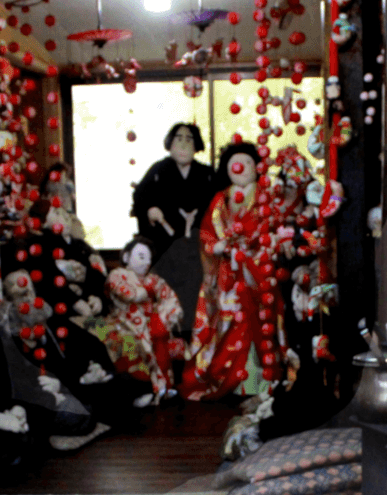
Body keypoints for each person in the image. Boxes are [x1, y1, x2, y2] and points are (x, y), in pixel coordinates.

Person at [180, 142, 294, 402]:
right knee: (229, 321)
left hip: (259, 267)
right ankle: (229, 380)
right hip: (229, 272)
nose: (240, 169)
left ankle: (262, 381)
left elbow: (276, 225)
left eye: (246, 163)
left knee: (262, 319)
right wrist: (217, 245)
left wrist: (267, 245)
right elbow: (207, 232)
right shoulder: (221, 200)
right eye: (234, 164)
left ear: (256, 168)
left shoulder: (265, 195)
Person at [92, 237, 183, 403]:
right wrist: (146, 290)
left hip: (149, 322)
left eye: (149, 259)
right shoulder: (117, 275)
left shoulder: (152, 279)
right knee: (132, 344)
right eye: (141, 257)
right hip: (123, 322)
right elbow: (130, 294)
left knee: (160, 339)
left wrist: (163, 315)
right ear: (126, 257)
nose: (146, 263)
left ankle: (164, 387)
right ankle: (141, 392)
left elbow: (169, 297)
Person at [131, 122, 217, 262]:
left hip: (199, 246)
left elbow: (219, 204)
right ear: (170, 144)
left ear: (196, 146)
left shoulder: (207, 174)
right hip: (164, 245)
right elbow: (140, 195)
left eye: (189, 140)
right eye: (179, 139)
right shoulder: (158, 170)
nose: (183, 145)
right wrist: (148, 210)